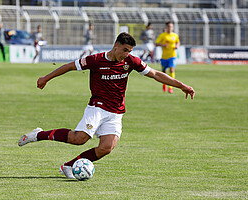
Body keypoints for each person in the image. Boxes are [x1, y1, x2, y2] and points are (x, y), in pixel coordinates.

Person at [18, 32, 195, 179]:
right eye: (125, 50)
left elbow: (156, 74)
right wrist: (46, 78)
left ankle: (68, 166)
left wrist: (182, 86)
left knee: (106, 148)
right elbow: (70, 67)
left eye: (130, 51)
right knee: (78, 139)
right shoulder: (95, 60)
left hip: (116, 112)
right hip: (97, 107)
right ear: (116, 45)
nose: (127, 54)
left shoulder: (130, 62)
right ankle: (38, 135)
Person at [156, 21, 180, 93]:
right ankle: (164, 84)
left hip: (172, 56)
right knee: (164, 73)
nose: (170, 28)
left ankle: (170, 87)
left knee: (172, 70)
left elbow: (178, 42)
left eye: (171, 26)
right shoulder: (163, 35)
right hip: (164, 57)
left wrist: (177, 46)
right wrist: (163, 45)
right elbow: (156, 43)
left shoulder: (175, 35)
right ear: (166, 27)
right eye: (169, 26)